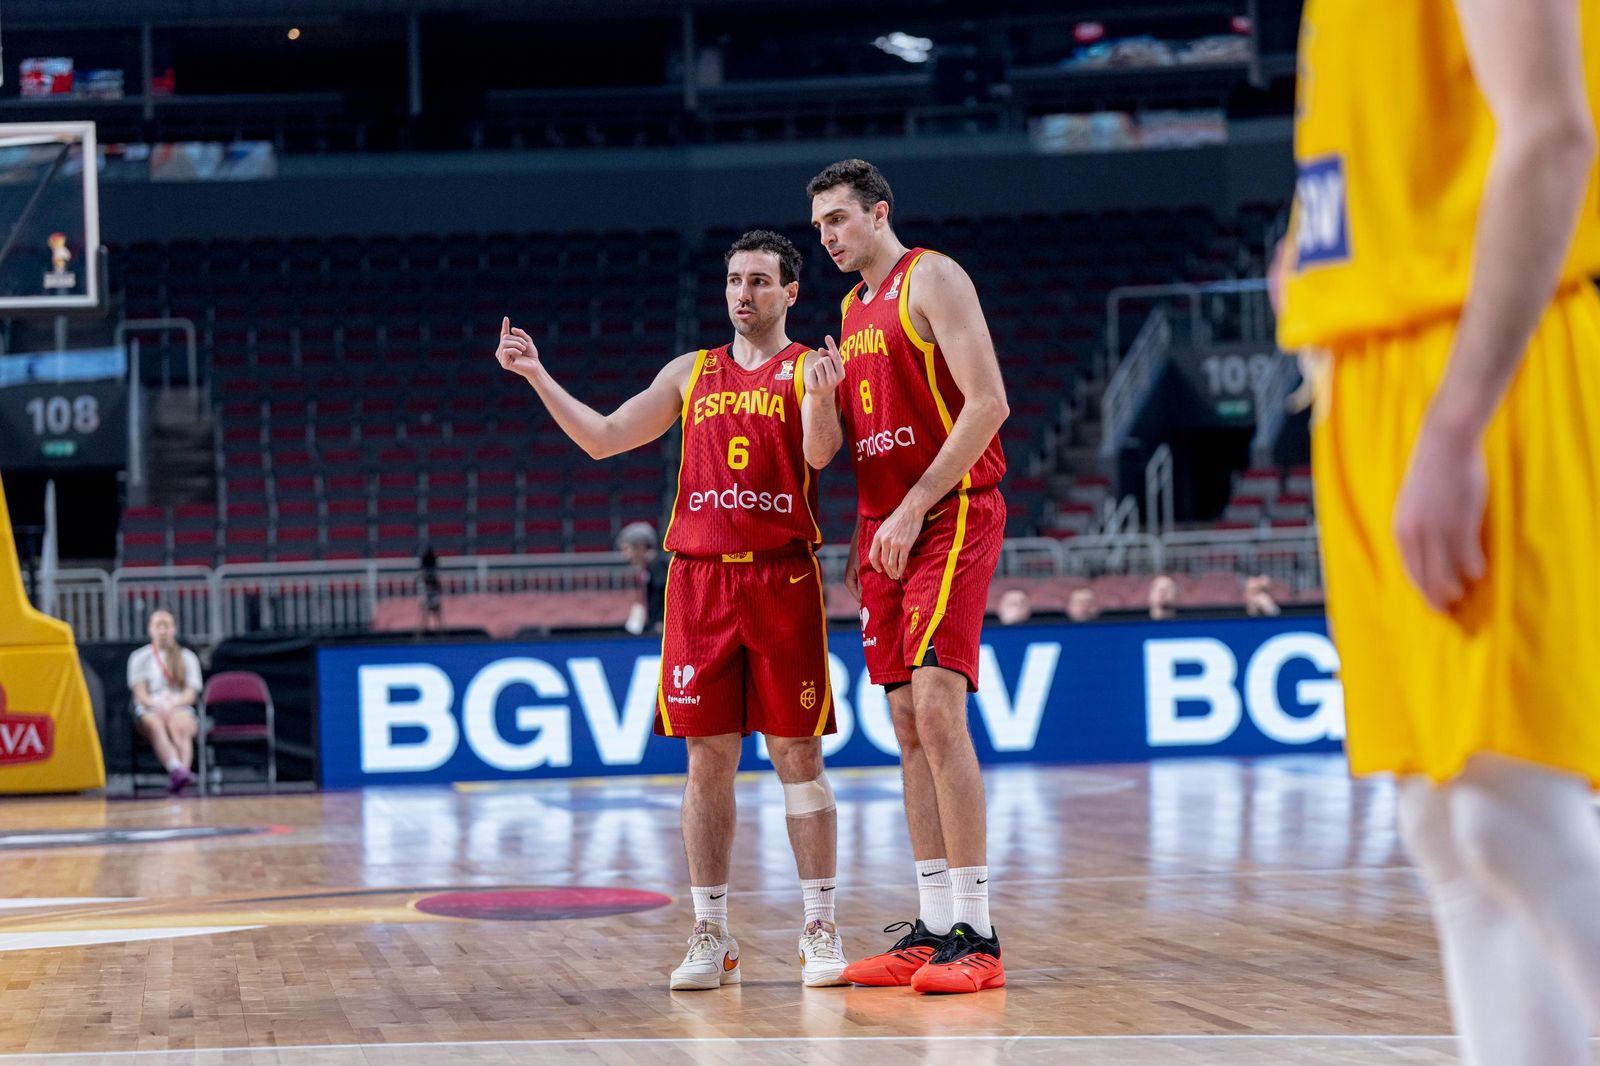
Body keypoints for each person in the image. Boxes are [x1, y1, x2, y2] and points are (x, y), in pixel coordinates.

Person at [1276, 1, 1600, 1061]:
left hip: (1480, 354)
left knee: (1510, 799)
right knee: (1445, 830)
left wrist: (1457, 418)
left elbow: (1552, 134)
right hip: (1367, 371)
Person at [495, 229, 850, 991]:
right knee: (705, 763)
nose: (742, 293)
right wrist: (537, 374)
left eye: (759, 280)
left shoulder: (804, 371)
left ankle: (819, 924)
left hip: (782, 581)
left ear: (791, 293)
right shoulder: (691, 373)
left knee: (799, 758)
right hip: (698, 585)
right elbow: (603, 439)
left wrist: (822, 397)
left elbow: (821, 456)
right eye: (733, 279)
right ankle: (711, 933)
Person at [804, 158, 1009, 994]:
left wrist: (917, 502)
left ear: (878, 213)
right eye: (819, 227)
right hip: (880, 524)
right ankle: (931, 925)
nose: (827, 238)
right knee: (902, 718)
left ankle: (979, 932)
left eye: (839, 221)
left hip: (949, 508)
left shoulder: (935, 277)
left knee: (936, 704)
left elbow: (988, 402)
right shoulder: (849, 313)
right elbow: (826, 453)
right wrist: (821, 397)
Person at [126, 608, 202, 794]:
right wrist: (156, 705)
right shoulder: (139, 658)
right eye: (158, 625)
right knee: (155, 724)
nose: (162, 630)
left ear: (174, 629)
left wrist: (174, 705)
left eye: (166, 625)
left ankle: (182, 773)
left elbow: (191, 694)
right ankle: (175, 767)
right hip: (150, 708)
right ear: (150, 629)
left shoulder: (187, 658)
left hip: (178, 707)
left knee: (180, 724)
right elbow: (140, 693)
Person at [617, 521, 670, 636]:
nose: (625, 555)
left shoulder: (658, 566)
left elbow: (664, 594)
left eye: (627, 549)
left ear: (640, 546)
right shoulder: (648, 569)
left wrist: (661, 621)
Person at [417, 545, 444, 633]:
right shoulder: (423, 578)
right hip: (426, 591)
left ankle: (440, 629)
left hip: (434, 591)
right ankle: (424, 628)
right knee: (425, 610)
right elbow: (422, 575)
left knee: (437, 610)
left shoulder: (434, 572)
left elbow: (436, 578)